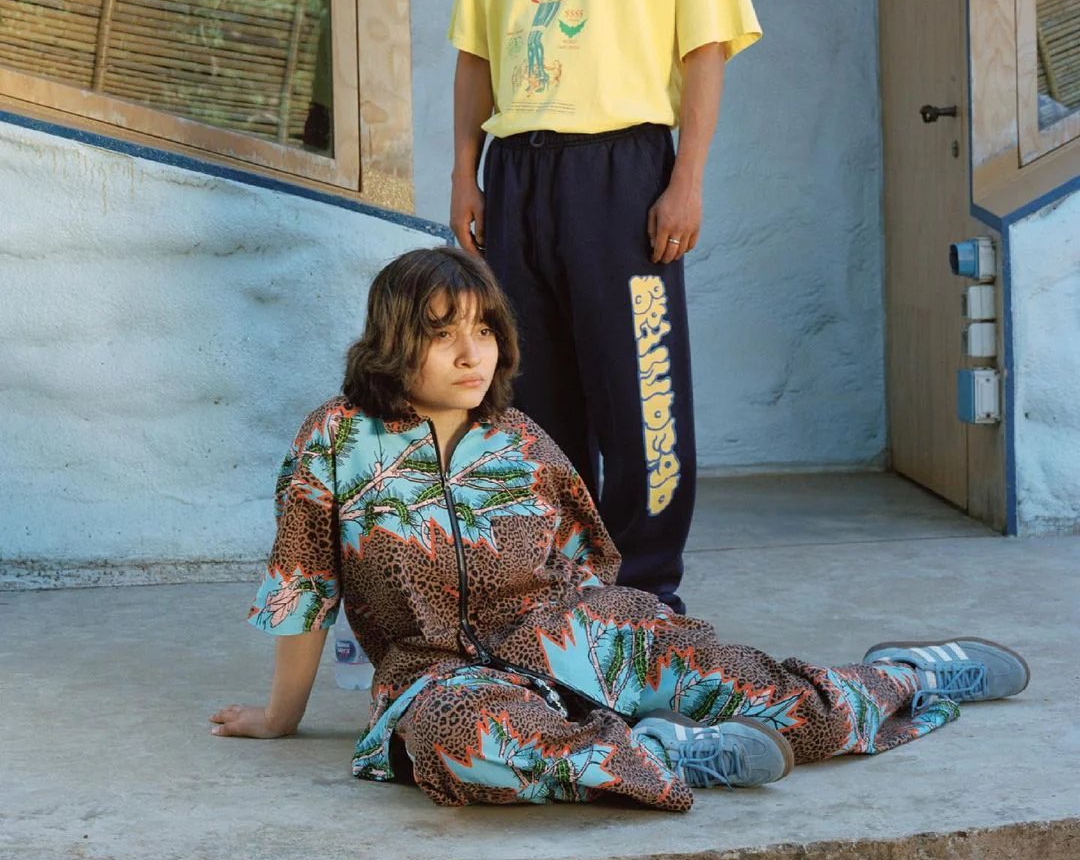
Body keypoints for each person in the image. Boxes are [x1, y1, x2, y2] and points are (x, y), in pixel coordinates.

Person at [210, 247, 1029, 812]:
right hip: (438, 674)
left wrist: (618, 652)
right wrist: (282, 715)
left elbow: (586, 562)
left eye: (484, 329)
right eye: (442, 332)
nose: (471, 354)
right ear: (393, 341)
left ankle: (908, 676)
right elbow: (304, 585)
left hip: (574, 639)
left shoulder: (519, 439)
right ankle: (671, 753)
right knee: (461, 747)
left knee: (781, 707)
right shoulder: (337, 441)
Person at [448, 0, 762, 616]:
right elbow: (476, 55)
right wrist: (465, 171)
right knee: (530, 393)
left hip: (624, 172)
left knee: (639, 393)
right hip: (520, 171)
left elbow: (704, 48)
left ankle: (646, 593)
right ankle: (552, 592)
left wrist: (686, 178)